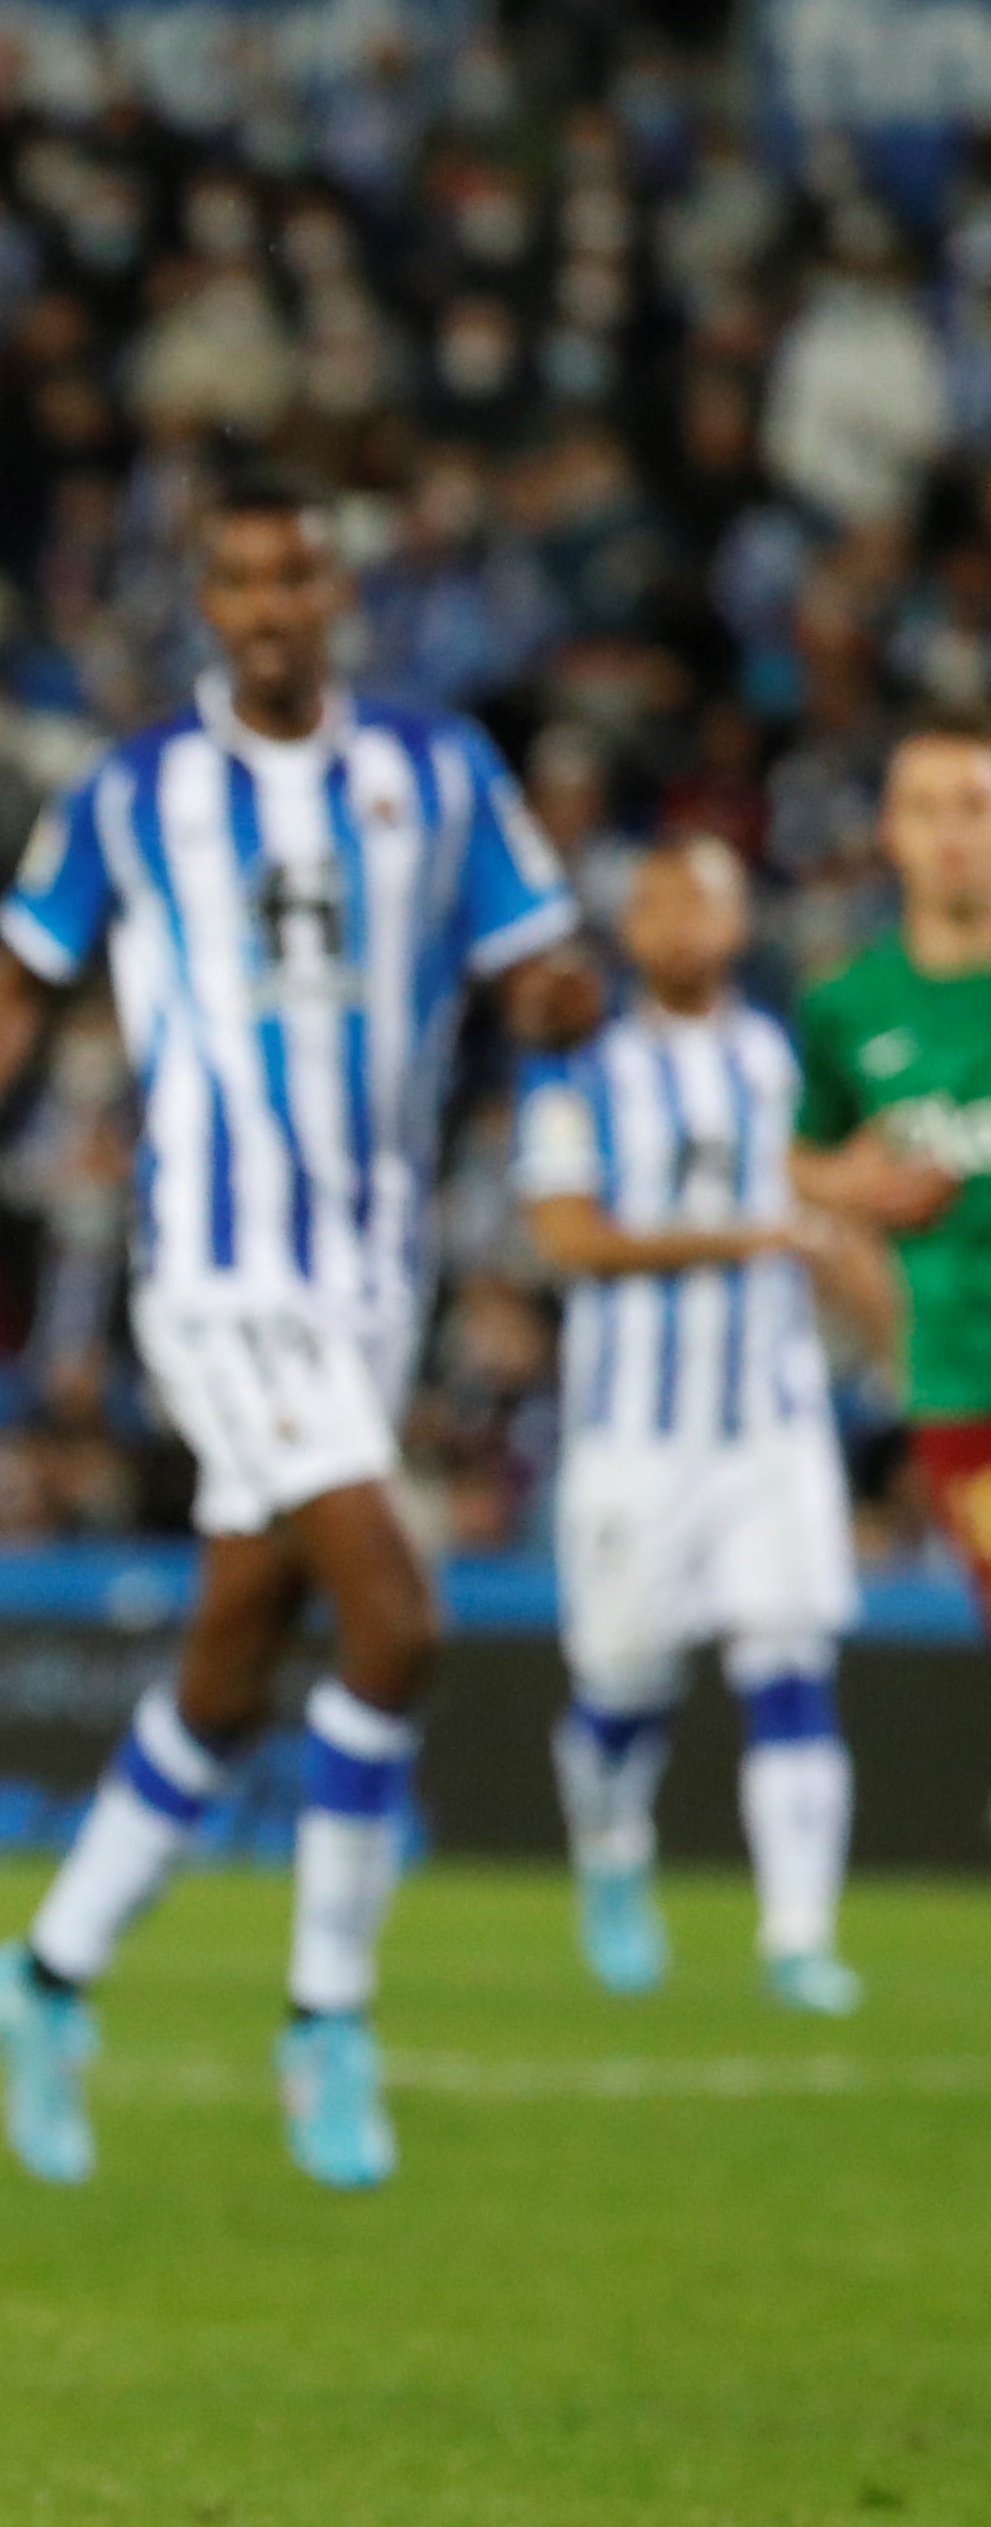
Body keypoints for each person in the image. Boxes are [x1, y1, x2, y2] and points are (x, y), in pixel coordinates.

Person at [0, 467, 599, 2193]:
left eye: (296, 576)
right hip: (213, 1271)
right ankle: (324, 2016)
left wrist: (559, 997)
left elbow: (537, 956)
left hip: (373, 1277)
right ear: (207, 604)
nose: (271, 605)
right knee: (393, 1612)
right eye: (241, 581)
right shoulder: (136, 791)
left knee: (233, 1644)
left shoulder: (438, 771)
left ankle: (47, 1974)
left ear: (332, 594)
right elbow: (15, 975)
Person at [516, 839, 867, 2015]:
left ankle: (799, 1934)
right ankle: (613, 1856)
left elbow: (841, 1209)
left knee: (789, 1658)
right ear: (630, 927)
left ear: (737, 923)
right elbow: (566, 1236)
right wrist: (741, 1235)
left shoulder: (787, 1062)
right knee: (622, 1682)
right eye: (658, 899)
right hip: (633, 1433)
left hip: (771, 1421)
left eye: (703, 899)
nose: (679, 921)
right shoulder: (583, 1069)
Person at [794, 730, 991, 1619]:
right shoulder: (846, 1005)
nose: (951, 832)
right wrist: (854, 1189)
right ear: (888, 830)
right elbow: (792, 1157)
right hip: (956, 1377)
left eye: (975, 806)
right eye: (924, 808)